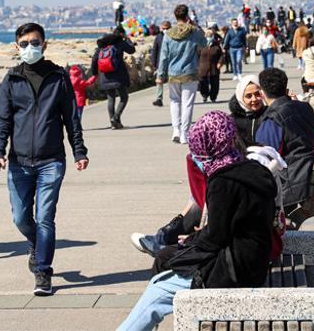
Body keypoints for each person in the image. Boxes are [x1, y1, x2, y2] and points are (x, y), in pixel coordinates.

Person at [117, 111, 277, 331]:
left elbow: (215, 238)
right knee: (166, 261)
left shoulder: (223, 180)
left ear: (208, 145)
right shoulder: (254, 169)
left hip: (234, 270)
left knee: (158, 288)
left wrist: (186, 245)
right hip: (254, 262)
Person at [0, 23, 88, 296]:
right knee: (21, 218)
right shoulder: (11, 80)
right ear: (16, 46)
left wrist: (79, 151)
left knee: (45, 218)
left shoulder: (58, 77)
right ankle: (37, 244)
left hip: (51, 161)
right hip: (19, 163)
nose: (29, 48)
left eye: (34, 42)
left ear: (44, 44)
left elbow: (71, 119)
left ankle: (43, 272)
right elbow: (2, 122)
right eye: (24, 43)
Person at [256, 68, 314, 229]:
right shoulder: (305, 108)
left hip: (288, 188)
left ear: (262, 92)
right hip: (307, 182)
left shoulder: (272, 119)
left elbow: (263, 164)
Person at [156, 4, 207, 144]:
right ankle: (185, 133)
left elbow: (164, 57)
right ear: (187, 16)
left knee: (174, 102)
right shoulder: (194, 32)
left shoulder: (168, 34)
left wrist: (160, 75)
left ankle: (176, 131)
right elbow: (205, 43)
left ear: (175, 16)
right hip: (190, 73)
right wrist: (195, 24)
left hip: (173, 73)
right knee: (187, 104)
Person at [91, 27, 136, 129]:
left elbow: (94, 59)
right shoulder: (120, 43)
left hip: (105, 75)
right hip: (119, 75)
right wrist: (127, 38)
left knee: (111, 99)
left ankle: (114, 124)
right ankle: (115, 118)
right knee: (124, 97)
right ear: (121, 34)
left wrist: (95, 73)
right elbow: (132, 50)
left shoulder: (102, 45)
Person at [229, 74, 267, 146]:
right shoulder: (232, 120)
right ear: (241, 97)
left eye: (257, 94)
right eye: (249, 96)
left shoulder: (270, 115)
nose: (254, 99)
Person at [197, 26, 223, 103]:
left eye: (210, 34)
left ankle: (213, 97)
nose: (209, 35)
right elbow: (196, 55)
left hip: (214, 68)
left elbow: (221, 55)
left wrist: (220, 62)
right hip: (202, 68)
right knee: (203, 84)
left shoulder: (216, 45)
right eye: (207, 34)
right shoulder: (200, 45)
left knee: (215, 84)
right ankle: (204, 95)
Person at [150, 21, 171, 107]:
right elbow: (154, 50)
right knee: (159, 81)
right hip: (160, 62)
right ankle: (159, 98)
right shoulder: (159, 37)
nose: (165, 30)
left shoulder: (173, 36)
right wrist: (154, 63)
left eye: (167, 28)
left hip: (171, 62)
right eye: (163, 28)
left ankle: (175, 97)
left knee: (173, 81)